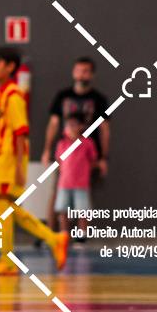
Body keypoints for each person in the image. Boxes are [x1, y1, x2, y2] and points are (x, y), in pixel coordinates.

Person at [0, 46, 68, 276]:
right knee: (8, 209)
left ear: (10, 67)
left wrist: (19, 166)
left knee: (2, 207)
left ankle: (8, 260)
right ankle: (54, 239)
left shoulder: (14, 95)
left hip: (9, 160)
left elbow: (21, 132)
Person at [41, 57, 110, 231]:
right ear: (73, 72)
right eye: (78, 70)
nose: (81, 74)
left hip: (87, 156)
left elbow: (104, 129)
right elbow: (53, 123)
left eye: (85, 71)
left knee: (83, 197)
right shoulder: (63, 96)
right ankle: (52, 234)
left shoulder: (99, 99)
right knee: (58, 194)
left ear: (92, 74)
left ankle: (81, 235)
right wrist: (47, 150)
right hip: (65, 155)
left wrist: (103, 157)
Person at [54, 116, 98, 240]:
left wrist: (84, 171)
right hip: (64, 184)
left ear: (80, 127)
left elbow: (93, 160)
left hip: (81, 184)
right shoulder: (62, 144)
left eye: (74, 125)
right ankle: (64, 236)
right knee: (62, 210)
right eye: (69, 125)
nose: (71, 128)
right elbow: (59, 161)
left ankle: (82, 235)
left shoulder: (87, 143)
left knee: (82, 210)